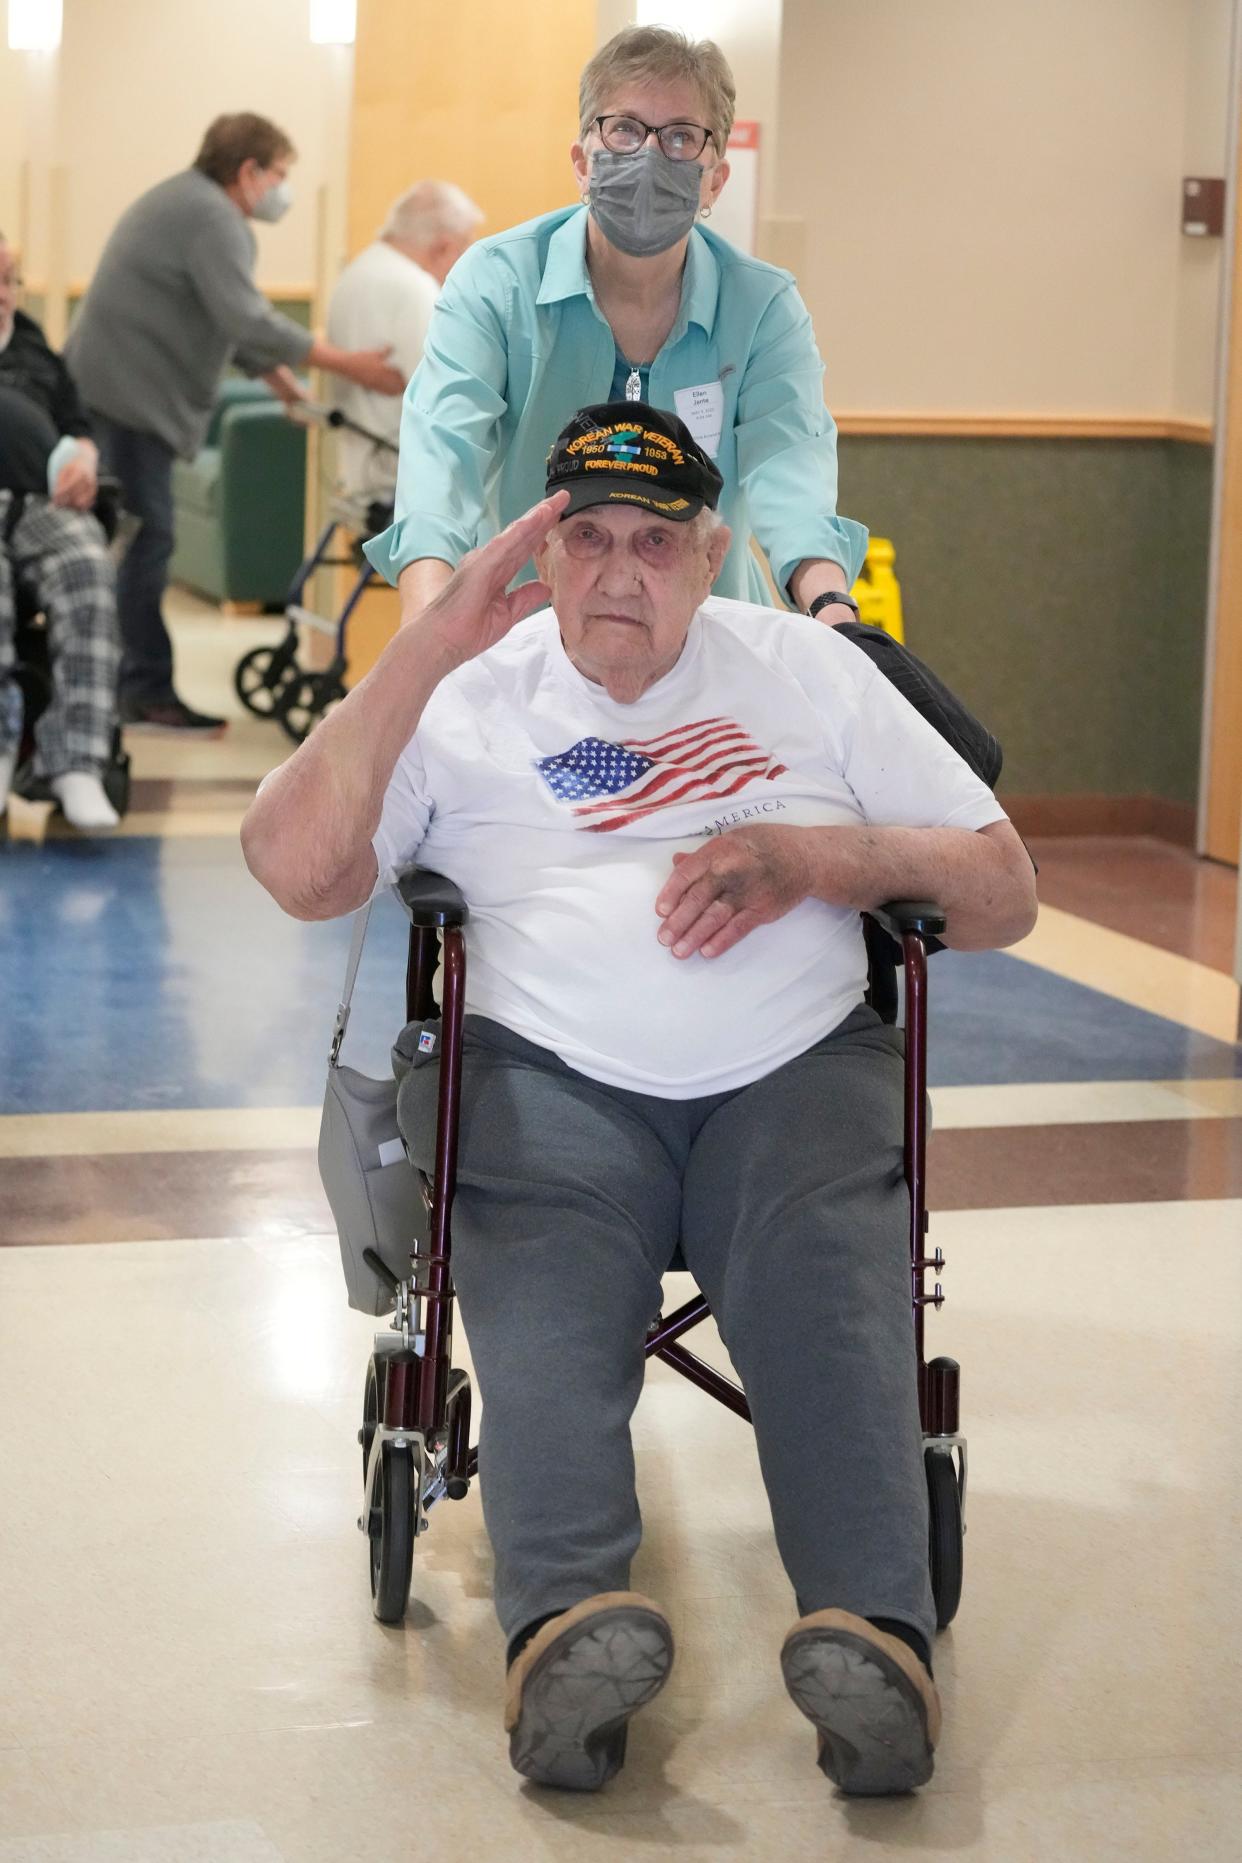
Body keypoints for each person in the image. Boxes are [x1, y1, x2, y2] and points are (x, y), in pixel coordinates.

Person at [243, 404, 1037, 1797]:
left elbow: (1002, 886)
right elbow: (299, 868)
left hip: (793, 1070)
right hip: (545, 1076)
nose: (620, 572)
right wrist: (427, 642)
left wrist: (813, 854)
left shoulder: (807, 668)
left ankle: (873, 1641)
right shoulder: (467, 694)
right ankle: (566, 1629)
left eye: (655, 542)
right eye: (586, 538)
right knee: (544, 1309)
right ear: (539, 554)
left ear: (711, 551)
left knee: (820, 1280)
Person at [366, 25, 869, 629]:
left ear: (716, 180)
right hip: (531, 633)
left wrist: (832, 611)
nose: (650, 155)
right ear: (582, 162)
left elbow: (791, 472)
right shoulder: (497, 282)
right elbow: (442, 459)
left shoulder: (761, 306)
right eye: (625, 129)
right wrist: (429, 626)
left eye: (682, 136)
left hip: (706, 636)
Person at [65, 112, 406, 734]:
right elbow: (248, 320)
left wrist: (285, 389)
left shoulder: (189, 206)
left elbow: (228, 325)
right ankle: (142, 689)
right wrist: (348, 365)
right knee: (146, 543)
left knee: (135, 542)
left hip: (114, 393)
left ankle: (126, 683)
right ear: (249, 171)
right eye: (279, 174)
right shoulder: (213, 218)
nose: (283, 189)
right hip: (127, 400)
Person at [0, 233, 121, 832]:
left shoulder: (33, 348)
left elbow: (78, 427)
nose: (3, 294)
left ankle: (76, 761)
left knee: (87, 567)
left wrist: (86, 464)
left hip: (39, 502)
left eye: (9, 279)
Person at [326, 180, 484, 504]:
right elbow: (448, 398)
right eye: (464, 248)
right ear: (443, 246)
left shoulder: (359, 270)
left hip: (362, 475)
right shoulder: (415, 289)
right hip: (405, 485)